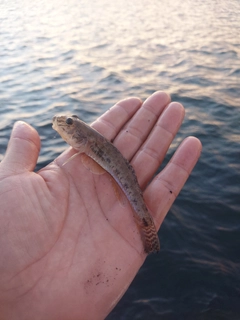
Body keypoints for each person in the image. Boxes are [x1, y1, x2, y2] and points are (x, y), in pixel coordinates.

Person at [0, 91, 201, 320]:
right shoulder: (86, 143)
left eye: (69, 123)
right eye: (68, 123)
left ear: (85, 136)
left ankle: (147, 229)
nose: (64, 124)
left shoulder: (88, 142)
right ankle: (147, 229)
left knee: (140, 207)